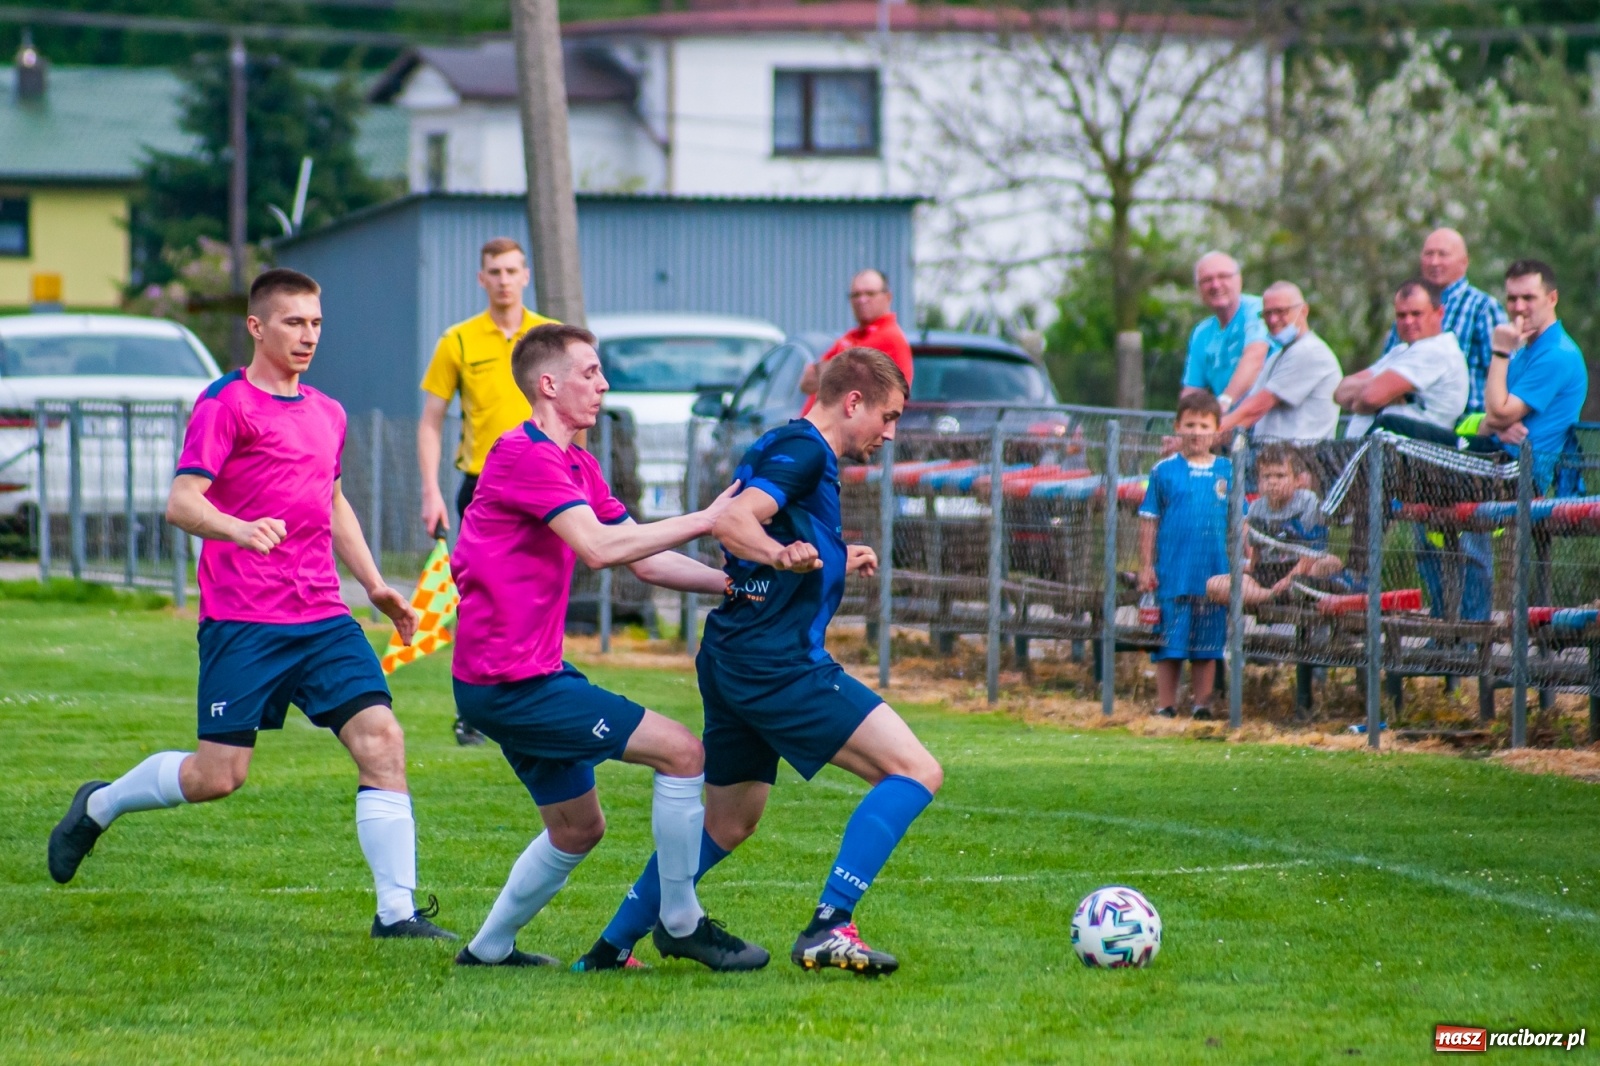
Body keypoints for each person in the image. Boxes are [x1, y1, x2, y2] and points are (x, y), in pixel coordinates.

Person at [47, 269, 455, 941]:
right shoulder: (225, 403)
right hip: (245, 622)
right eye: (294, 323)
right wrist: (240, 528)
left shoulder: (329, 412)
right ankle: (100, 803)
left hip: (323, 616)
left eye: (317, 323)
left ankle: (397, 914)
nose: (309, 336)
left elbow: (331, 501)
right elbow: (182, 501)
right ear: (258, 327)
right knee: (218, 776)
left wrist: (376, 584)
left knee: (382, 740)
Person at [574, 347, 941, 978]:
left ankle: (609, 948)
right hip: (777, 664)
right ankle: (831, 926)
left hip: (733, 655)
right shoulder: (805, 452)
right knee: (914, 770)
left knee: (730, 821)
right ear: (854, 401)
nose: (890, 433)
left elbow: (763, 532)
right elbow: (736, 523)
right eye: (889, 415)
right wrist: (777, 556)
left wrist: (825, 556)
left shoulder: (783, 443)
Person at [448, 323, 765, 971]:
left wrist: (731, 584)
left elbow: (641, 559)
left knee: (577, 828)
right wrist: (708, 518)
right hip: (513, 685)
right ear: (549, 384)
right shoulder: (524, 454)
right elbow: (599, 548)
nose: (603, 384)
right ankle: (680, 922)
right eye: (590, 372)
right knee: (681, 753)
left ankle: (487, 951)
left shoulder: (575, 462)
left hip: (518, 676)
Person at [417, 236, 557, 747]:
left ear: (525, 276)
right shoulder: (457, 340)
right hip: (483, 488)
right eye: (493, 271)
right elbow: (431, 422)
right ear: (482, 279)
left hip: (545, 482)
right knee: (481, 600)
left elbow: (574, 415)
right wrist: (431, 489)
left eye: (511, 270)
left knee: (541, 593)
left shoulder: (549, 337)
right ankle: (471, 710)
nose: (503, 279)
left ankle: (539, 696)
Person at [1139, 392, 1231, 721]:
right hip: (1173, 572)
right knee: (1170, 643)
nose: (1196, 432)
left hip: (1214, 574)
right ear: (1177, 427)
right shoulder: (1164, 471)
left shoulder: (1228, 470)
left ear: (1217, 431)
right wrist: (1146, 565)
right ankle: (1166, 706)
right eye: (1189, 424)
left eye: (1204, 425)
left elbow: (1241, 520)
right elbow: (1149, 519)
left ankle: (1202, 705)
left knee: (1207, 644)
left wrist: (1248, 555)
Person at [1483, 259, 1589, 491]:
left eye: (1528, 298)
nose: (1518, 307)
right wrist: (1498, 425)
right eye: (1512, 299)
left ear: (1552, 299)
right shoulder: (1525, 352)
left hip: (1517, 476)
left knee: (1401, 434)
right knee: (1405, 435)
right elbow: (1491, 419)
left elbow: (1498, 414)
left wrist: (1500, 351)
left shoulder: (1557, 353)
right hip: (1493, 460)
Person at [1382, 228, 1507, 415]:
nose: (1434, 262)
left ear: (1464, 262)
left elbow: (1505, 375)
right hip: (1407, 423)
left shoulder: (1483, 308)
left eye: (1443, 255)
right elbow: (1385, 369)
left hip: (1465, 429)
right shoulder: (1407, 309)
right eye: (1428, 254)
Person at [1207, 445, 1341, 607]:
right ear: (1258, 481)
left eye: (1280, 476)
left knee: (1330, 562)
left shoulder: (1307, 500)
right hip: (1267, 570)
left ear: (1297, 480)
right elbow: (1256, 551)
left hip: (1300, 568)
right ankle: (1272, 596)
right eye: (1266, 476)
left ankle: (1293, 590)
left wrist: (1289, 579)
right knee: (1214, 585)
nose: (1272, 482)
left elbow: (1312, 551)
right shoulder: (1256, 507)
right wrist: (1250, 568)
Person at [1337, 279, 1469, 440]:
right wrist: (1383, 392)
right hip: (1371, 453)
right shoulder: (1401, 351)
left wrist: (1369, 397)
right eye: (1401, 315)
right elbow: (1340, 391)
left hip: (1412, 455)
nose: (1408, 321)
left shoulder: (1437, 350)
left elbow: (1370, 397)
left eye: (1416, 314)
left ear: (1439, 313)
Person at [1217, 281, 1341, 441]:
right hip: (1274, 459)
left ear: (1303, 310)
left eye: (1281, 311)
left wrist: (1195, 440)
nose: (1273, 320)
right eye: (1267, 314)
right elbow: (1248, 406)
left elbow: (1252, 410)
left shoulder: (1309, 351)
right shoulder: (1279, 355)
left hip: (1302, 460)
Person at [799, 269, 913, 414]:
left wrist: (828, 372)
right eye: (856, 295)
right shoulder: (851, 336)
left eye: (870, 293)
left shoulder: (891, 339)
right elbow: (807, 382)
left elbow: (851, 391)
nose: (862, 300)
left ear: (887, 297)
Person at [1180, 252, 1271, 413]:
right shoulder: (1201, 333)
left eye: (1223, 277)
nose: (1215, 285)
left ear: (1239, 280)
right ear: (1198, 288)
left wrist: (1224, 403)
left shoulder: (1259, 310)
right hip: (1231, 428)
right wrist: (1185, 426)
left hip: (1268, 422)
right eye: (1207, 280)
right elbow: (1192, 390)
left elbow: (1255, 356)